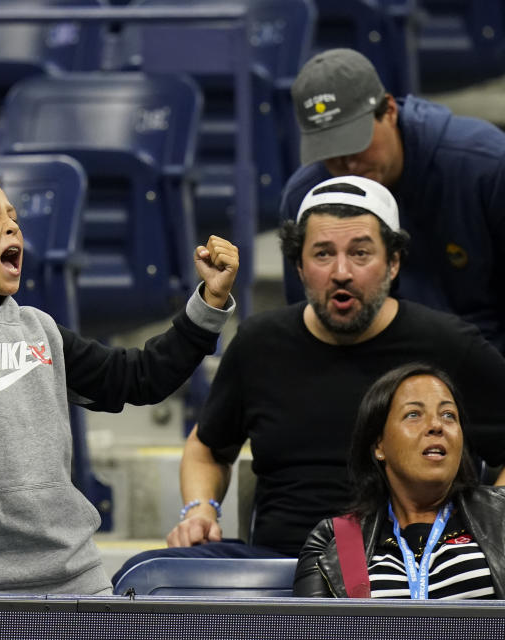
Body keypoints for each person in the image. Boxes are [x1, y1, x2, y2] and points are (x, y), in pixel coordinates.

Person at [114, 175, 505, 583]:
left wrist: (492, 527)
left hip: (409, 565)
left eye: (360, 253)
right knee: (144, 575)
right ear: (299, 266)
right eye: (322, 254)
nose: (341, 272)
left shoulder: (449, 345)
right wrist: (199, 510)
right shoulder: (259, 342)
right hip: (277, 565)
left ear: (393, 262)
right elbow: (207, 447)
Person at [0, 164, 239, 595]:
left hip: (76, 577)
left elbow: (139, 377)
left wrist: (209, 302)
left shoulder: (40, 330)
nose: (11, 225)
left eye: (12, 215)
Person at [279, 48, 505, 354]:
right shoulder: (307, 197)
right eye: (329, 152)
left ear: (389, 111)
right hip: (370, 372)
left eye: (355, 144)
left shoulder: (485, 165)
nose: (347, 164)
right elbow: (310, 324)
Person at [295, 363, 505, 599]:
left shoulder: (501, 515)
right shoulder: (336, 540)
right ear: (379, 445)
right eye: (413, 414)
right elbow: (314, 630)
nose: (436, 426)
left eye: (448, 415)